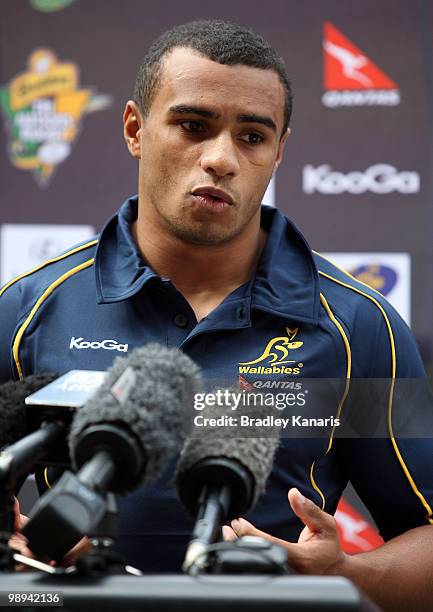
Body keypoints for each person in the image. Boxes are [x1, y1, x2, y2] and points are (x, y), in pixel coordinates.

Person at [0, 20, 432, 610]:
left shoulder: (359, 326)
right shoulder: (26, 309)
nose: (221, 159)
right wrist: (20, 549)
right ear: (135, 128)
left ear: (279, 151)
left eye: (252, 137)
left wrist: (343, 578)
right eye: (193, 126)